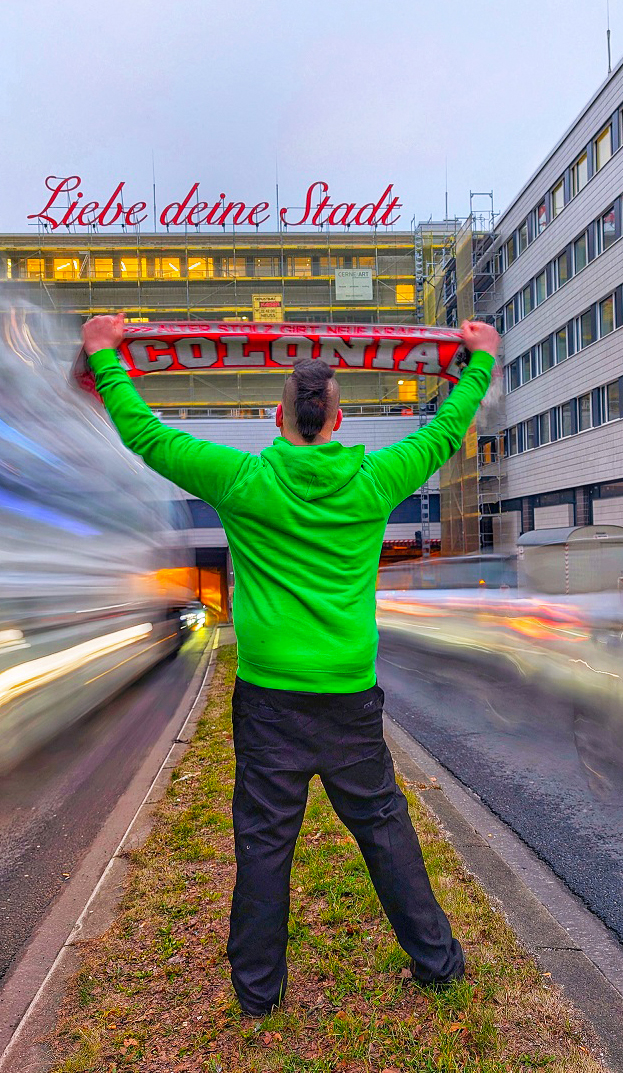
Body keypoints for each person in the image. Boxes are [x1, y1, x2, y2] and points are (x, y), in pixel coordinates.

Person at [81, 314, 499, 1017]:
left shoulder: (243, 479)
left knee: (265, 841)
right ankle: (437, 963)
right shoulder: (377, 479)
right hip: (348, 696)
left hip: (268, 698)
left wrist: (103, 355)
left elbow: (146, 435)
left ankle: (257, 994)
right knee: (384, 829)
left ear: (276, 417)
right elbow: (445, 429)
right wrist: (480, 359)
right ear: (338, 419)